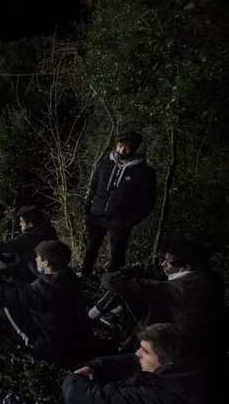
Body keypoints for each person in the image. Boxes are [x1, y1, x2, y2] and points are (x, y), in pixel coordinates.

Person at [0, 241, 90, 361]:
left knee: (6, 298)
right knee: (14, 285)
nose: (36, 260)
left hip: (50, 347)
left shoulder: (45, 289)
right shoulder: (66, 276)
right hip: (75, 339)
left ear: (46, 263)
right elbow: (29, 266)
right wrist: (4, 270)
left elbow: (4, 292)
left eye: (38, 258)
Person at [88, 239, 224, 353]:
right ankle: (98, 319)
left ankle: (122, 346)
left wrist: (111, 275)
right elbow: (156, 270)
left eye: (168, 261)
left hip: (185, 344)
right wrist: (126, 271)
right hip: (194, 334)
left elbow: (119, 283)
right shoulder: (201, 275)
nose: (163, 263)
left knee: (128, 291)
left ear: (186, 267)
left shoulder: (182, 288)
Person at [62, 323, 214, 403]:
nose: (137, 353)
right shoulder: (192, 369)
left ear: (169, 364)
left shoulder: (159, 397)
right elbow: (133, 360)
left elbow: (76, 394)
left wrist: (74, 378)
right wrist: (95, 366)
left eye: (145, 351)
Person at [81, 131, 156, 277]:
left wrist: (130, 221)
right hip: (96, 215)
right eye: (120, 146)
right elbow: (93, 189)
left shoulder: (144, 172)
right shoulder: (103, 164)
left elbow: (148, 200)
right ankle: (83, 276)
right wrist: (87, 211)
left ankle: (113, 284)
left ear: (135, 147)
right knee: (91, 248)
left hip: (119, 220)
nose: (122, 150)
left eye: (126, 147)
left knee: (118, 253)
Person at [0, 205, 58, 283]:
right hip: (38, 269)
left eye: (22, 222)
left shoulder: (31, 237)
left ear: (30, 224)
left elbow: (5, 246)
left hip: (30, 274)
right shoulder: (48, 230)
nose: (20, 224)